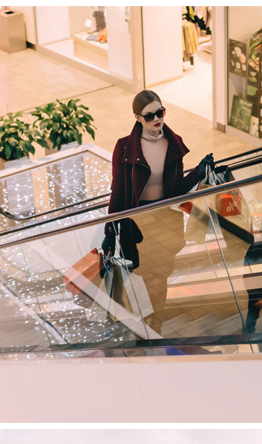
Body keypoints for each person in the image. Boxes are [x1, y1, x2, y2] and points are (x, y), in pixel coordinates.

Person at [104, 90, 212, 328]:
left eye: (160, 112)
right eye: (149, 115)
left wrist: (198, 172)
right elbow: (119, 193)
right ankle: (141, 324)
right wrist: (109, 233)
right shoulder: (124, 148)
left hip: (164, 221)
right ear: (137, 118)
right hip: (136, 224)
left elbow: (175, 191)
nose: (157, 118)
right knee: (142, 275)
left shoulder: (173, 144)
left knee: (160, 276)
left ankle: (157, 323)